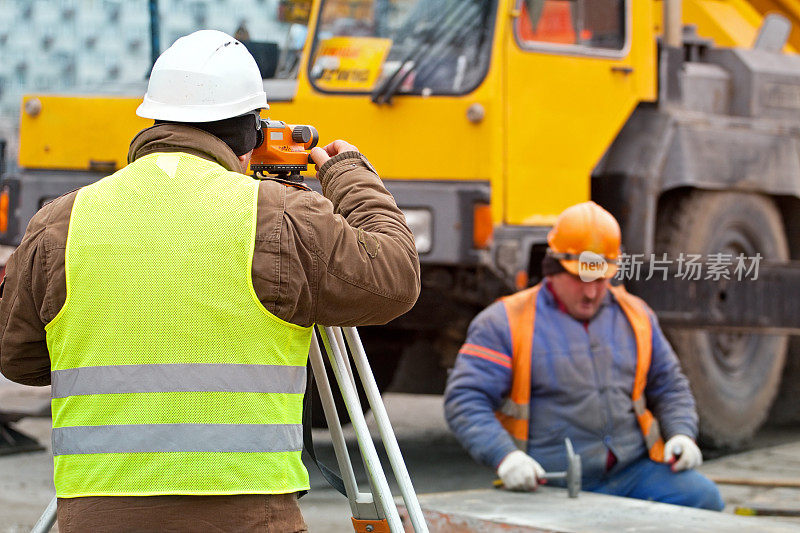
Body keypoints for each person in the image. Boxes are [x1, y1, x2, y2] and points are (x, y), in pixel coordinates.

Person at [0, 30, 420, 532]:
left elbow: (19, 359)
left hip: (97, 510)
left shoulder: (61, 222)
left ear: (155, 120)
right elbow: (395, 276)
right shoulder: (279, 218)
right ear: (251, 132)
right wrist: (347, 172)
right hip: (246, 514)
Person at [444, 201, 724, 510]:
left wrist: (682, 432)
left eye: (601, 280)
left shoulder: (637, 316)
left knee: (704, 500)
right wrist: (505, 457)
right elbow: (465, 400)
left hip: (632, 473)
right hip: (552, 483)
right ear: (553, 268)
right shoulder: (504, 322)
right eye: (581, 279)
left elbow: (669, 385)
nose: (591, 292)